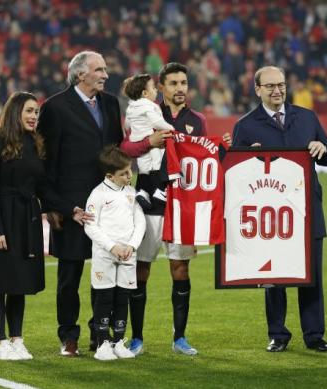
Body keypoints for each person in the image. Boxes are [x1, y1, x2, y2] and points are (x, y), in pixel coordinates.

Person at [231, 66, 327, 353]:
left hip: (307, 211)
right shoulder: (246, 125)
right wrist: (246, 158)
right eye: (270, 86)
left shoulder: (307, 117)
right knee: (274, 277)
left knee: (312, 276)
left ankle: (314, 336)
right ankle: (278, 334)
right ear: (257, 90)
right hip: (271, 217)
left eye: (281, 85)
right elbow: (233, 173)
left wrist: (321, 148)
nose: (277, 90)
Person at [36, 51, 124, 357]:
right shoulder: (56, 108)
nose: (105, 74)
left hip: (108, 207)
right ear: (79, 75)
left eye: (104, 69)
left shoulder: (111, 103)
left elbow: (115, 152)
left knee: (105, 274)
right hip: (71, 208)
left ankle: (99, 332)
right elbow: (45, 164)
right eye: (98, 69)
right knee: (69, 276)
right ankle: (68, 336)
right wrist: (53, 206)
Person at [121, 62, 208, 356]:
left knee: (180, 269)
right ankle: (136, 338)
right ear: (161, 87)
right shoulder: (146, 112)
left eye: (184, 82)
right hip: (149, 205)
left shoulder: (197, 121)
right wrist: (150, 141)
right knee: (141, 269)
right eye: (173, 83)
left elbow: (203, 158)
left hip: (181, 205)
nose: (180, 88)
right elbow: (126, 150)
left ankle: (180, 337)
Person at [0, 91, 48, 360]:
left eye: (36, 112)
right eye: (29, 111)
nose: (33, 117)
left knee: (19, 283)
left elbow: (42, 188)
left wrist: (61, 210)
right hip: (3, 221)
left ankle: (17, 340)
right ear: (14, 112)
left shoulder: (36, 145)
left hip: (27, 220)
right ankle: (0, 344)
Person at [84, 145, 146, 361]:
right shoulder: (97, 194)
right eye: (124, 174)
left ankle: (119, 341)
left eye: (130, 171)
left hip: (128, 255)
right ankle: (102, 343)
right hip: (105, 256)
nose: (130, 176)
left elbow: (140, 222)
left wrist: (132, 246)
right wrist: (113, 247)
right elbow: (90, 226)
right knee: (105, 298)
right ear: (109, 175)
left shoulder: (131, 193)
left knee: (122, 298)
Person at [122, 73, 175, 209]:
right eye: (153, 88)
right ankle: (160, 191)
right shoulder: (150, 106)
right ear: (145, 93)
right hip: (151, 141)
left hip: (137, 140)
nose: (156, 90)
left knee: (144, 169)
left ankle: (142, 192)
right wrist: (171, 129)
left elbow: (127, 125)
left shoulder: (131, 107)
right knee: (157, 165)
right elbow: (157, 122)